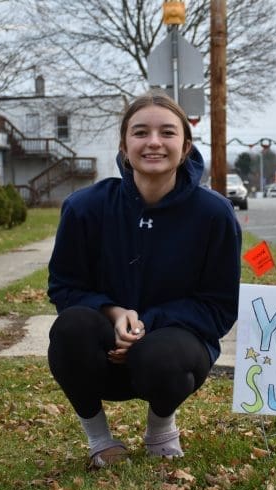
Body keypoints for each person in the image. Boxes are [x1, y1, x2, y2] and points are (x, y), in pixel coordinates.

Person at [47, 90, 242, 469]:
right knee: (70, 328)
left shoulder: (214, 214)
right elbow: (63, 287)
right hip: (103, 351)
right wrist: (113, 313)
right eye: (140, 132)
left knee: (161, 356)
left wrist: (146, 325)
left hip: (170, 356)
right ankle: (100, 440)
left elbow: (219, 306)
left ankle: (161, 428)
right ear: (124, 146)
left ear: (185, 147)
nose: (154, 142)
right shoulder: (84, 208)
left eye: (167, 132)